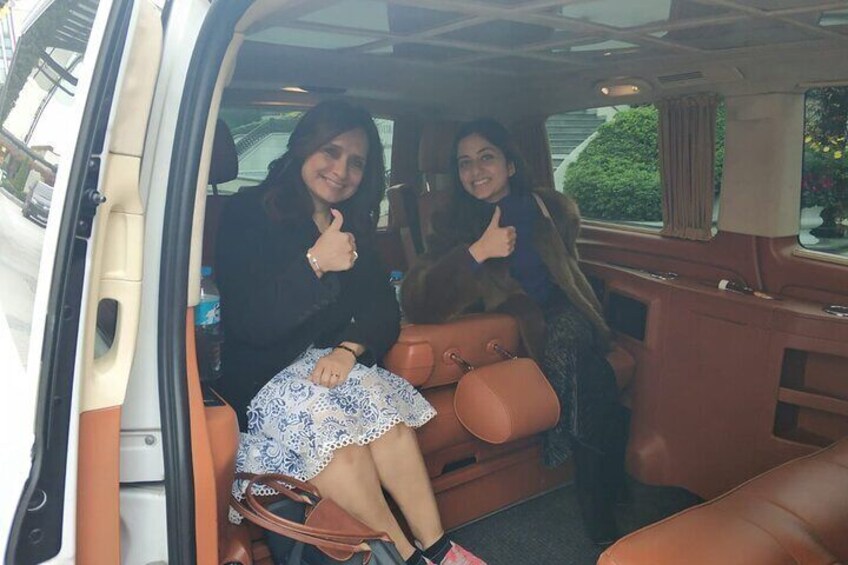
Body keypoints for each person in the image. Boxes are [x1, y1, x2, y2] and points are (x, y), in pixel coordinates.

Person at [215, 101, 486, 565]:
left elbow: (382, 307)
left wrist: (348, 349)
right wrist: (315, 264)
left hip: (330, 366)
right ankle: (405, 558)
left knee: (387, 420)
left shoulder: (353, 223)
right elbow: (247, 322)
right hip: (265, 374)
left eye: (356, 162)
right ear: (304, 147)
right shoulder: (247, 212)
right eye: (331, 151)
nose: (341, 171)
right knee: (344, 449)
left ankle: (441, 549)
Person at [401, 118, 627, 545]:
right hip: (516, 330)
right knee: (591, 374)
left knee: (573, 346)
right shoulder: (451, 224)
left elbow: (570, 272)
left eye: (486, 157)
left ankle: (587, 481)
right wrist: (477, 252)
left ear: (510, 164)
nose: (475, 170)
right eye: (464, 162)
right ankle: (603, 498)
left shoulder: (549, 208)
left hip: (569, 313)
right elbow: (417, 301)